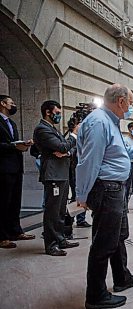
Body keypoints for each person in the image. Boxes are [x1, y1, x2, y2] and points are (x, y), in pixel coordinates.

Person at [76, 84, 133, 309]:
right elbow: (89, 162)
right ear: (121, 101)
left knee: (118, 236)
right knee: (104, 242)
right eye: (131, 102)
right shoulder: (99, 122)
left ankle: (121, 277)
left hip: (116, 188)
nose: (131, 107)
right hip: (107, 190)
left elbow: (122, 153)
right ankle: (96, 295)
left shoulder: (111, 121)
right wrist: (82, 194)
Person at [33, 100, 79, 255]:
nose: (59, 115)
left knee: (60, 210)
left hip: (62, 173)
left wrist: (67, 150)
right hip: (53, 174)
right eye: (57, 113)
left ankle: (60, 239)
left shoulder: (53, 129)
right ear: (48, 112)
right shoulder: (42, 129)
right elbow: (63, 146)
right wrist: (73, 134)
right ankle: (51, 244)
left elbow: (69, 148)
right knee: (52, 210)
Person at [0, 95, 35, 249]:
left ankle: (15, 230)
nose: (13, 105)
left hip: (16, 167)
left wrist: (23, 144)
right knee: (3, 203)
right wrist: (13, 146)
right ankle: (2, 236)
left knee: (15, 202)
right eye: (11, 103)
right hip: (3, 168)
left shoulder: (12, 123)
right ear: (2, 104)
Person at [67, 118, 91, 227]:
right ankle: (72, 219)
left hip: (82, 170)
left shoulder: (82, 138)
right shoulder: (71, 139)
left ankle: (80, 218)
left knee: (82, 193)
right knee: (76, 195)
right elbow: (70, 152)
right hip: (74, 170)